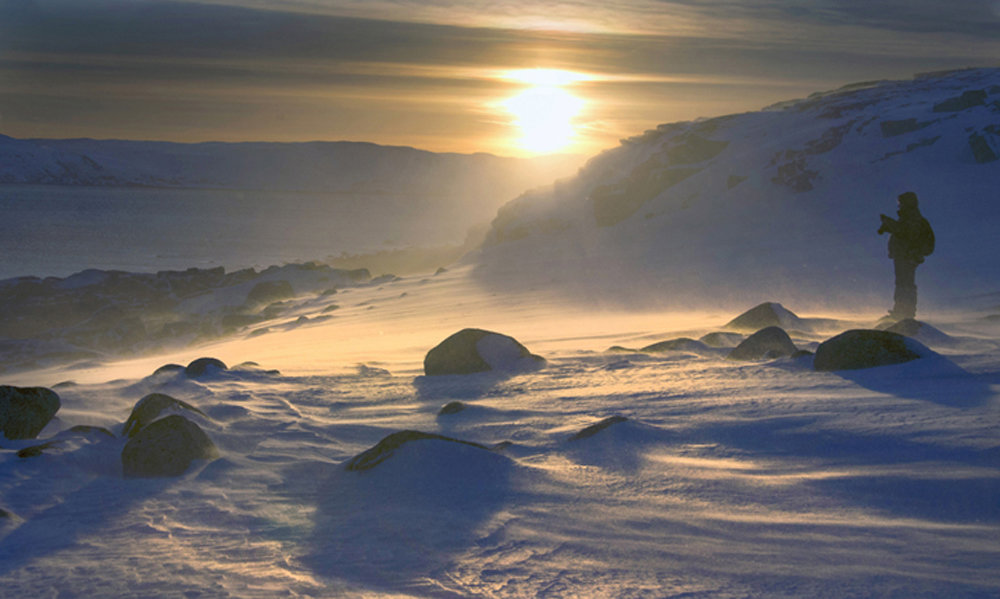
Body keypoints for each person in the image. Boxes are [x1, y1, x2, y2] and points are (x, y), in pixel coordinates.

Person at [877, 191, 934, 321]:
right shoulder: (910, 217)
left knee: (905, 284)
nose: (899, 206)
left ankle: (904, 313)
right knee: (903, 283)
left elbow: (906, 234)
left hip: (908, 256)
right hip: (905, 255)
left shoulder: (912, 217)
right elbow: (904, 232)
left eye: (900, 203)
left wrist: (890, 224)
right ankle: (901, 311)